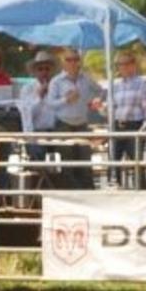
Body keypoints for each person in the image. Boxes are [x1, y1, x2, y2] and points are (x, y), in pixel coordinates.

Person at [44, 50, 103, 190]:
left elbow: (100, 90)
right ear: (64, 63)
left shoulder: (86, 78)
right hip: (63, 125)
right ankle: (71, 196)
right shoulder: (57, 81)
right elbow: (50, 103)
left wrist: (94, 100)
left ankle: (88, 194)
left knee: (85, 162)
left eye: (76, 59)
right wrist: (66, 99)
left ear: (79, 61)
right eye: (69, 59)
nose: (73, 62)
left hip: (82, 124)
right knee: (67, 164)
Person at [108, 51, 146, 189]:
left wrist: (142, 130)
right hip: (118, 126)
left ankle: (140, 191)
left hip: (135, 126)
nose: (122, 67)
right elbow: (111, 109)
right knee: (113, 162)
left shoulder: (143, 84)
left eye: (126, 63)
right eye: (119, 64)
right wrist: (100, 107)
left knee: (136, 163)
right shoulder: (116, 86)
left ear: (133, 65)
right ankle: (113, 190)